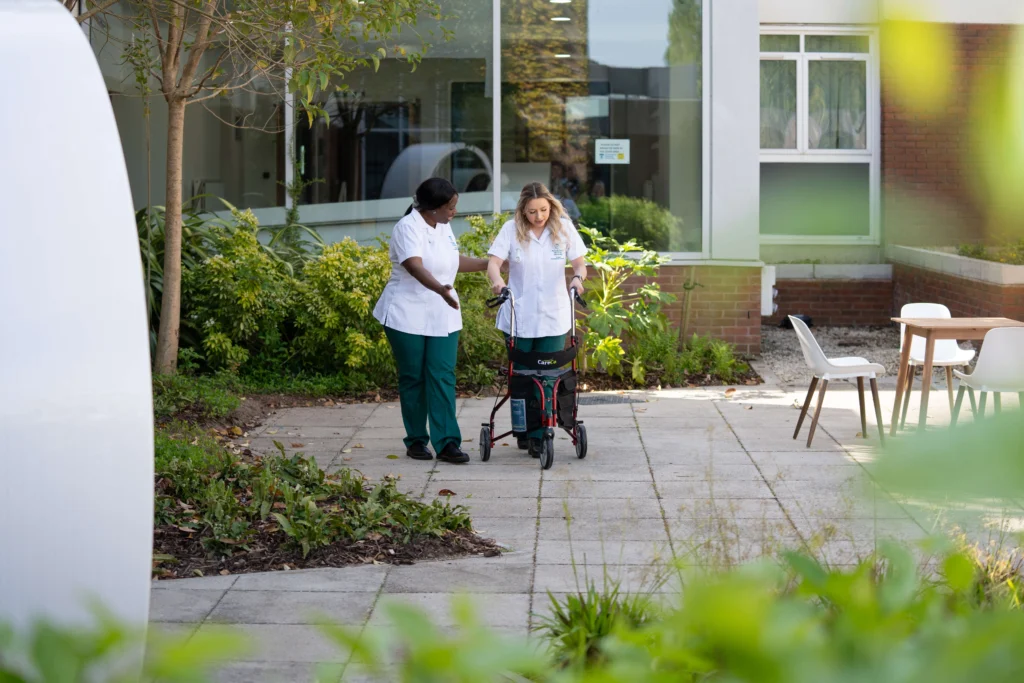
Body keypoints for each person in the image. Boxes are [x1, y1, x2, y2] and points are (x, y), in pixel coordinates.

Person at [372, 177, 492, 464]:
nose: (454, 212)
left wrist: (491, 263)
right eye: (450, 207)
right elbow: (414, 266)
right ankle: (416, 441)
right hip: (405, 314)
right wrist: (441, 289)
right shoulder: (407, 228)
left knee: (442, 376)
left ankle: (448, 442)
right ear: (433, 207)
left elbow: (452, 261)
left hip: (443, 313)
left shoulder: (443, 226)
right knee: (413, 378)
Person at [486, 182, 588, 457]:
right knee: (521, 378)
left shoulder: (563, 227)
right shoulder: (511, 229)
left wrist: (577, 278)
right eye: (532, 212)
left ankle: (542, 434)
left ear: (551, 207)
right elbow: (493, 263)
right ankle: (525, 431)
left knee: (548, 377)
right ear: (523, 211)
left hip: (554, 316)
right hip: (519, 315)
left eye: (543, 210)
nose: (539, 216)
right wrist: (497, 282)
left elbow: (579, 263)